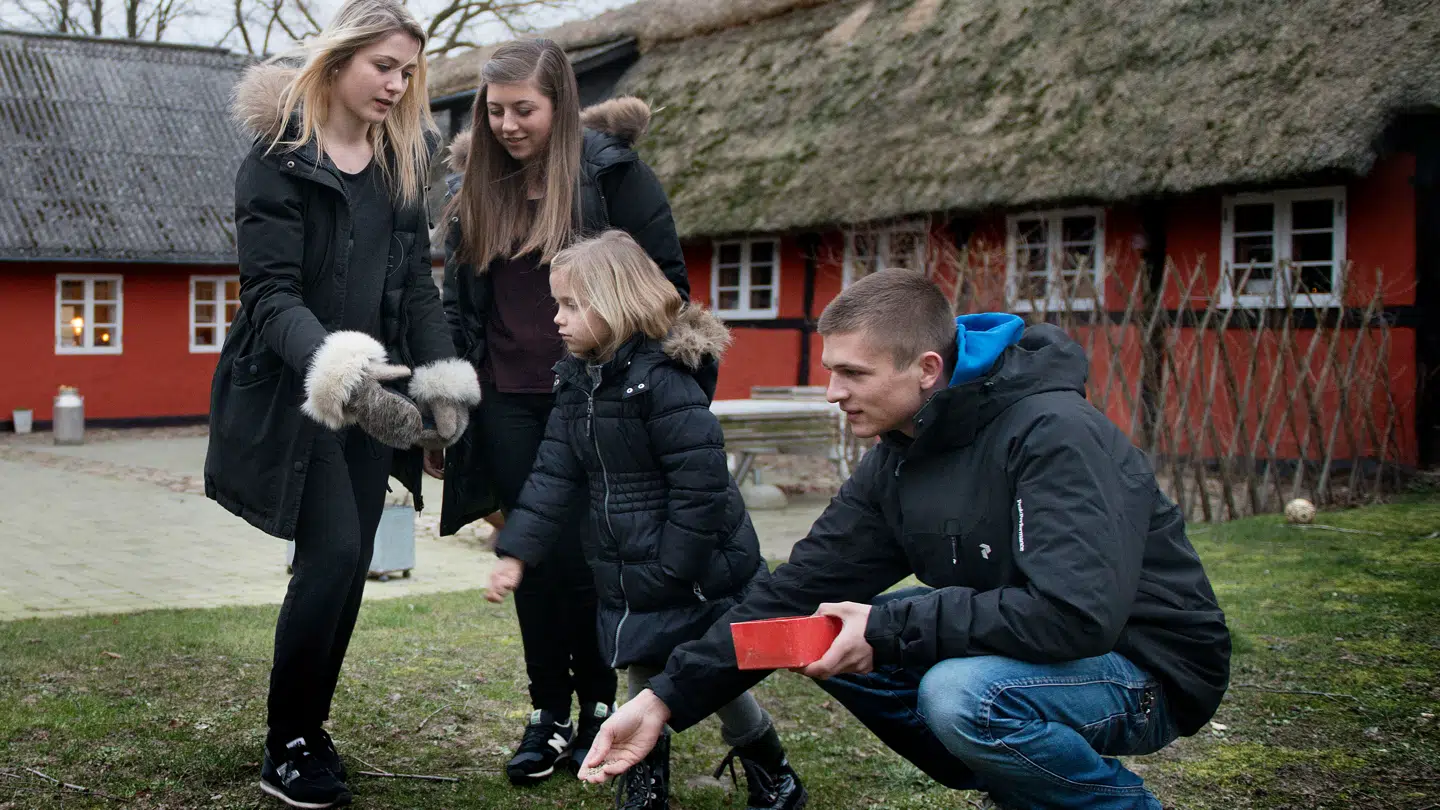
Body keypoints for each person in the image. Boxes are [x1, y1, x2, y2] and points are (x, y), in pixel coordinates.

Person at [579, 270, 1233, 810]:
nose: (832, 393)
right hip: (1028, 656)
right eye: (831, 370)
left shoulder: (1056, 434)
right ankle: (1018, 780)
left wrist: (888, 631)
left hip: (1146, 669)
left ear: (925, 369)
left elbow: (1075, 615)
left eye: (854, 374)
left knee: (961, 697)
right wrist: (664, 699)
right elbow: (796, 593)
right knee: (810, 632)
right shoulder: (902, 451)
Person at [205, 2, 480, 806]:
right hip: (305, 392)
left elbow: (417, 291)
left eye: (407, 71)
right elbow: (269, 297)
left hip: (379, 396)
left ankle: (310, 725)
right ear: (338, 61)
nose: (397, 85)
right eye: (383, 66)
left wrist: (441, 386)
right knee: (327, 557)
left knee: (354, 563)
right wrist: (339, 370)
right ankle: (285, 741)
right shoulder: (275, 161)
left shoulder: (401, 164)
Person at [430, 38, 688, 785]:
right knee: (535, 558)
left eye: (524, 110)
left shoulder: (614, 178)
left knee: (593, 561)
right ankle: (548, 714)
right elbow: (459, 306)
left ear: (561, 105)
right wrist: (449, 402)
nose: (508, 125)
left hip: (598, 397)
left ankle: (602, 707)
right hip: (510, 402)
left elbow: (667, 285)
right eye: (496, 110)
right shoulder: (475, 192)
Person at [483, 230, 806, 810]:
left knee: (709, 677)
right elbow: (554, 474)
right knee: (650, 666)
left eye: (572, 305)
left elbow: (702, 485)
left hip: (695, 566)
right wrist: (517, 549)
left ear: (617, 303)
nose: (557, 319)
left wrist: (673, 567)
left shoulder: (664, 381)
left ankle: (769, 772)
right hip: (631, 563)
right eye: (557, 303)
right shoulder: (578, 382)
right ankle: (647, 785)